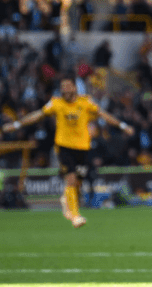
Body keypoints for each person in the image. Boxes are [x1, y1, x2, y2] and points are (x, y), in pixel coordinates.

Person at [1, 76, 134, 228]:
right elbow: (38, 114)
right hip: (64, 147)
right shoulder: (56, 103)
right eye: (63, 86)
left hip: (82, 148)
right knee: (70, 178)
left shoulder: (85, 102)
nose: (65, 89)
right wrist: (17, 124)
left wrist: (123, 126)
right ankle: (75, 216)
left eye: (68, 86)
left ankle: (66, 199)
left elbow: (104, 114)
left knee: (77, 182)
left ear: (74, 88)